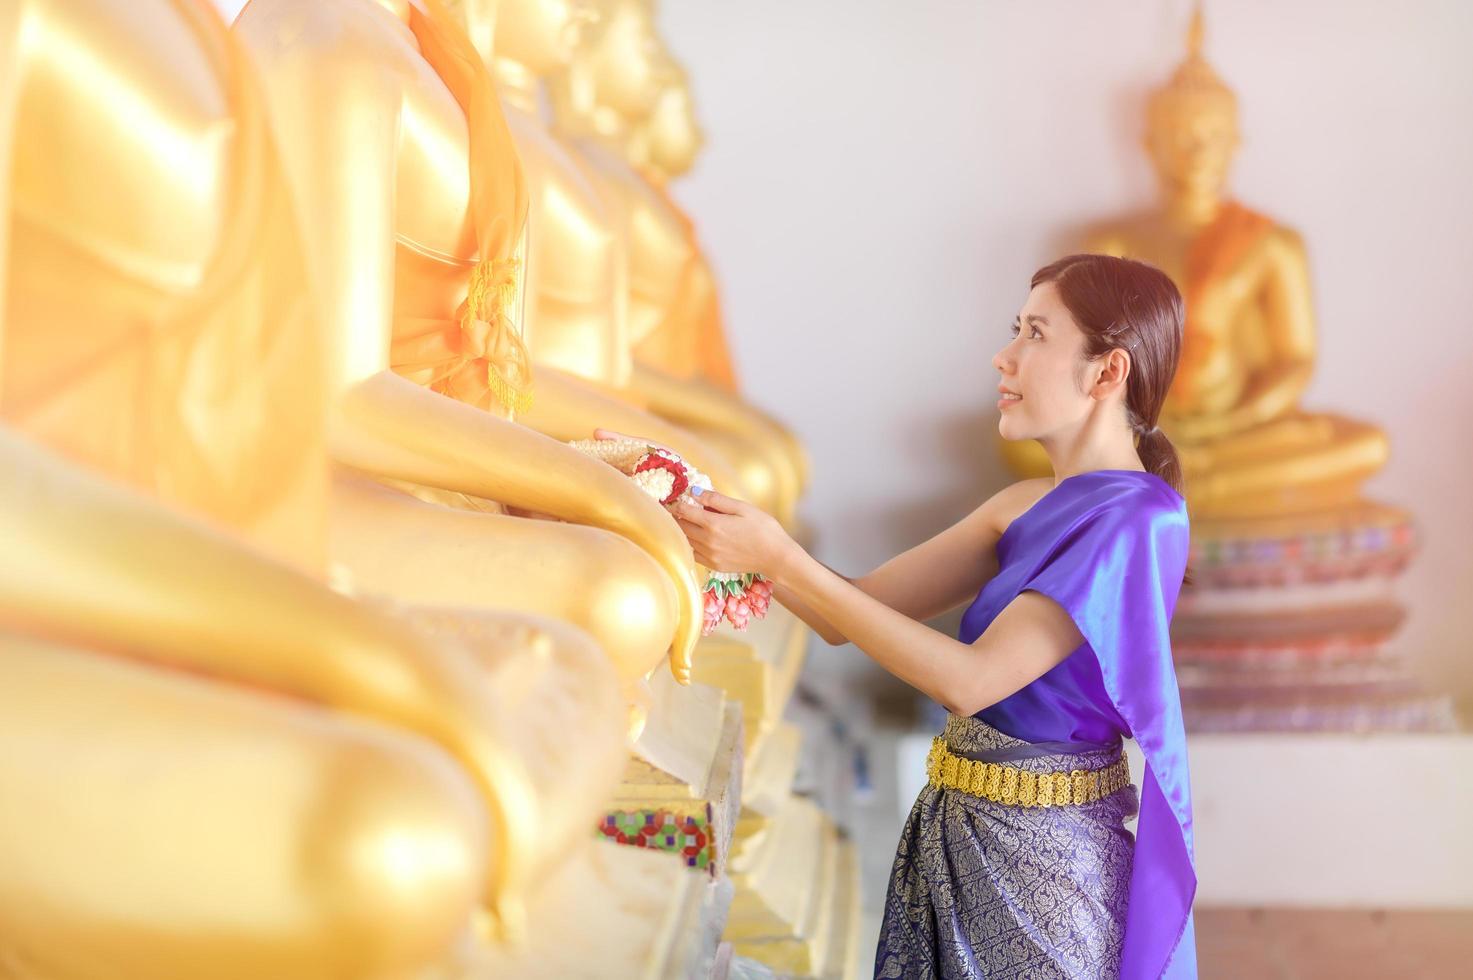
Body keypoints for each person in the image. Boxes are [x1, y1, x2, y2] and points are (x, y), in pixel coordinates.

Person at [668, 253, 1197, 979]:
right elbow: (848, 610)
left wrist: (779, 559)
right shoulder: (1021, 504)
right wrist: (717, 530)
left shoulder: (1136, 518)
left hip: (1044, 863)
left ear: (1106, 373)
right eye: (1016, 329)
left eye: (1035, 336)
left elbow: (972, 681)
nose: (1003, 356)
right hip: (956, 828)